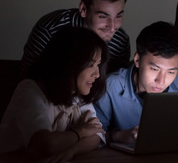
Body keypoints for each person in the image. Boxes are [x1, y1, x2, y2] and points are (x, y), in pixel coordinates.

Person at [0, 27, 108, 162]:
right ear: (69, 63)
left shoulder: (78, 94)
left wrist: (71, 151)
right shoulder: (29, 90)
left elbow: (96, 134)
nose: (97, 74)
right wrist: (80, 132)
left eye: (98, 65)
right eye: (90, 64)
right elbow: (45, 144)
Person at [94, 21, 178, 144]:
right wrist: (118, 136)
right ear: (137, 60)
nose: (161, 81)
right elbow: (94, 137)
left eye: (171, 72)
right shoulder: (110, 86)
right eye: (154, 69)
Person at [20, 0, 130, 78]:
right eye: (103, 17)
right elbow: (29, 78)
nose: (112, 27)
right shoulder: (49, 29)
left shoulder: (121, 41)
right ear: (83, 9)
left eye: (118, 16)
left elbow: (115, 86)